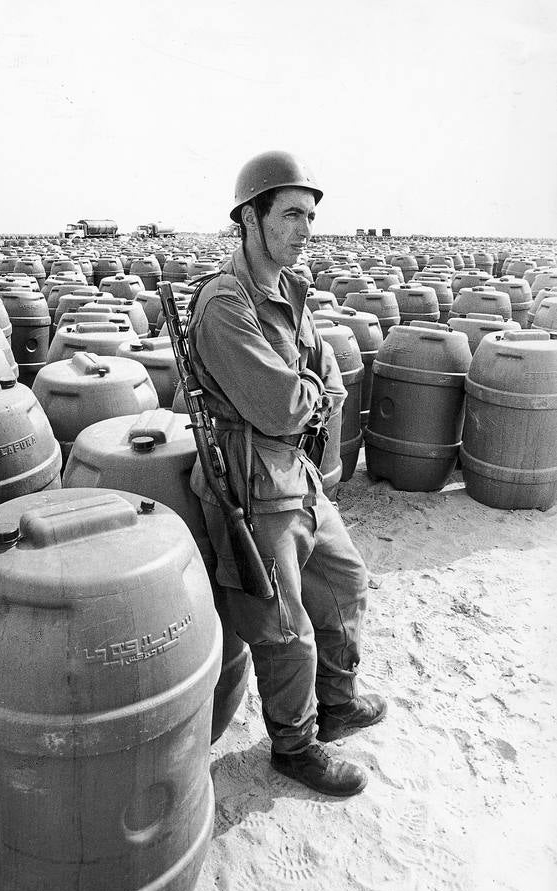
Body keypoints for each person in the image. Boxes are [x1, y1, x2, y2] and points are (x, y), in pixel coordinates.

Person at [187, 150, 386, 796]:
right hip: (248, 484)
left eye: (311, 217)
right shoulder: (224, 303)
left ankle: (337, 703)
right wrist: (306, 393)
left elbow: (326, 377)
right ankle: (295, 746)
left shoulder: (290, 290)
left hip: (294, 473)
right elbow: (277, 405)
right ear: (250, 217)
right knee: (285, 627)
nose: (305, 230)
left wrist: (306, 391)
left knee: (346, 582)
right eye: (292, 215)